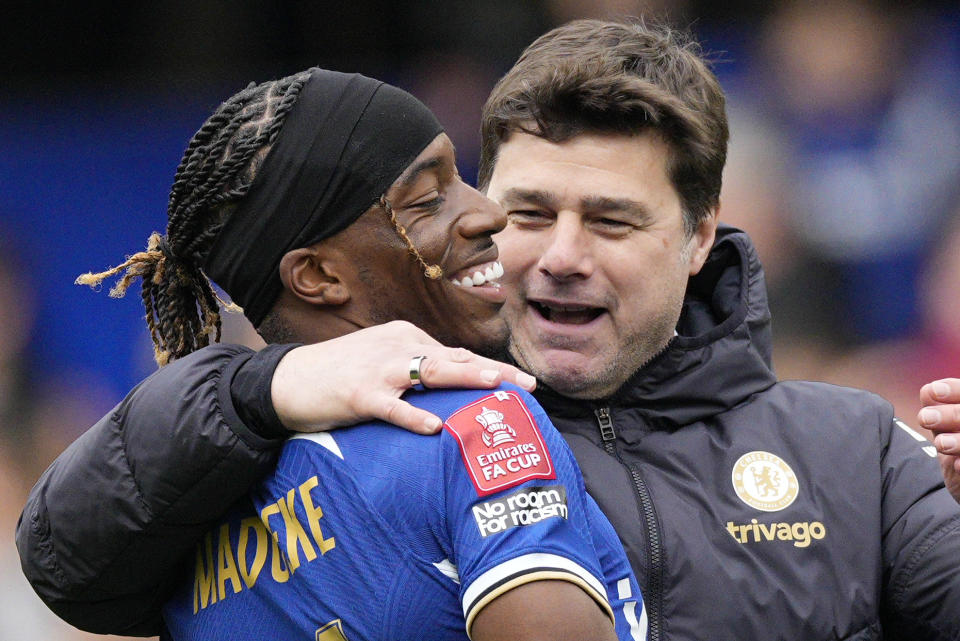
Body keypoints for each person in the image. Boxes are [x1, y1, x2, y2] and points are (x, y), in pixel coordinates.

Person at [19, 18, 960, 640]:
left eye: (611, 220)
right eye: (527, 210)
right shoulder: (382, 425)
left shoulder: (857, 448)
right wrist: (260, 388)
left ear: (700, 233)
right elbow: (65, 552)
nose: (558, 254)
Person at [21, 67, 646, 640]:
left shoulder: (187, 520)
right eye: (427, 200)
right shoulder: (473, 423)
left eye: (462, 179)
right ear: (318, 277)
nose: (487, 213)